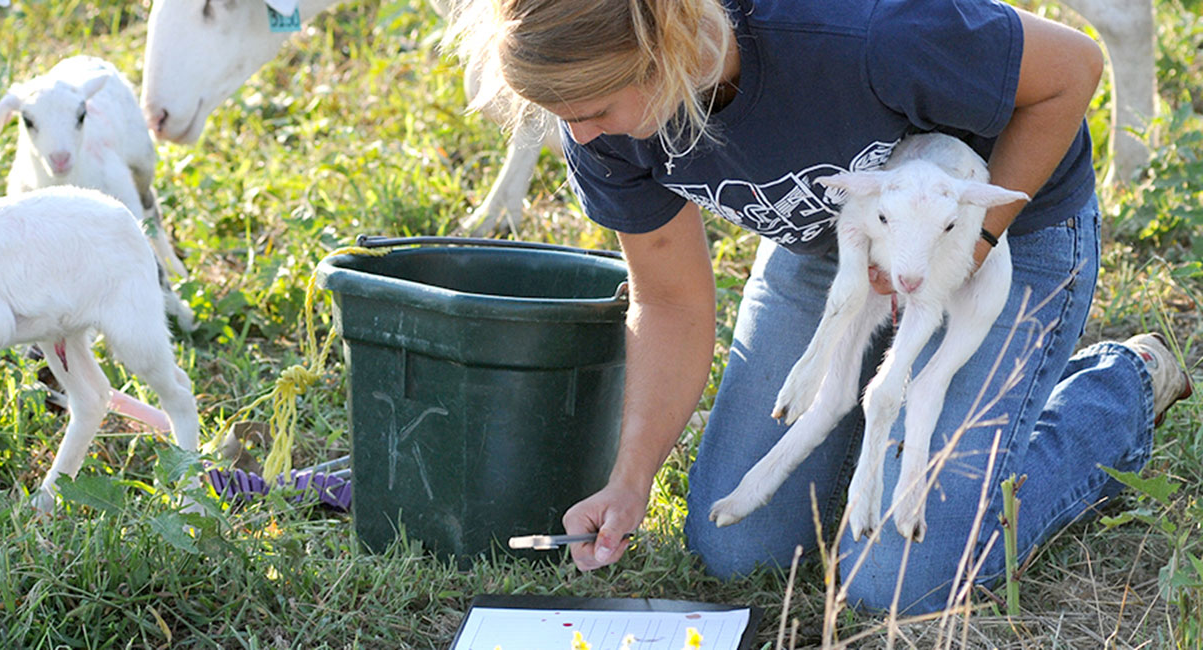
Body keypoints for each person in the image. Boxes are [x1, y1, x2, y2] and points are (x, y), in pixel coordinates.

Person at [453, 0, 1195, 614]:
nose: (577, 135)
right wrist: (631, 476)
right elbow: (670, 298)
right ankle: (875, 448)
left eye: (591, 109)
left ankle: (1120, 390)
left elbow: (1073, 69)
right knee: (736, 551)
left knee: (903, 584)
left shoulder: (862, 32)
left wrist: (963, 250)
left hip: (999, 233)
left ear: (665, 54)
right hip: (839, 251)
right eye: (562, 114)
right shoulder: (602, 128)